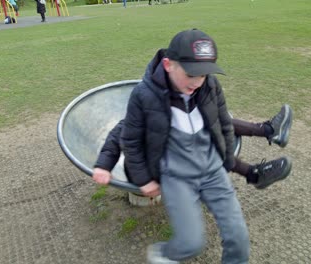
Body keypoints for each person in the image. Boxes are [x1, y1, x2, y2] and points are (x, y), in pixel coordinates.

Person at [121, 29, 250, 263]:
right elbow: (130, 140)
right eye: (192, 74)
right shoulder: (144, 95)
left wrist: (228, 160)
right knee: (191, 244)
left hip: (212, 172)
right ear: (169, 65)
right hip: (177, 177)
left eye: (204, 75)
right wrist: (143, 179)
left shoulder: (209, 85)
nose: (198, 82)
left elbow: (224, 123)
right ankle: (163, 253)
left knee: (239, 238)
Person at [93, 104, 293, 189]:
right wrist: (103, 166)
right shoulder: (133, 121)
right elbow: (112, 143)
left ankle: (268, 131)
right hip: (146, 171)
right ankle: (254, 174)